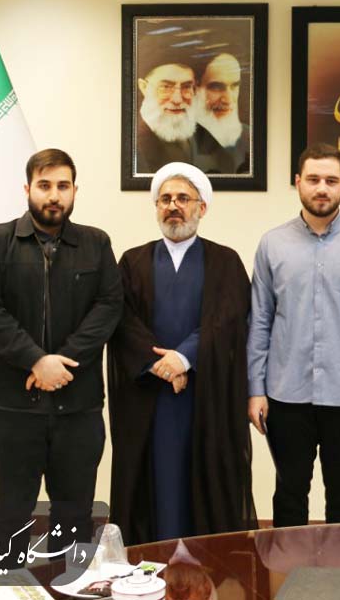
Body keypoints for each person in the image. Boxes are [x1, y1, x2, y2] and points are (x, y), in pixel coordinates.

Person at [0, 148, 122, 569]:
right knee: (9, 513)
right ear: (27, 189)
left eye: (63, 186)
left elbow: (109, 307)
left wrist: (61, 361)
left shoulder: (96, 243)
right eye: (45, 185)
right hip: (11, 409)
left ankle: (69, 591)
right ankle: (6, 591)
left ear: (75, 191)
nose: (54, 195)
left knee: (75, 515)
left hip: (78, 408)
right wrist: (36, 361)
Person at [107, 162, 257, 544]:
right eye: (165, 199)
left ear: (201, 208)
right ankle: (150, 566)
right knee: (153, 487)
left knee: (207, 484)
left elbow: (229, 318)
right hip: (151, 397)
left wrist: (184, 358)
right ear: (156, 207)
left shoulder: (225, 261)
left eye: (183, 199)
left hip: (206, 397)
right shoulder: (132, 262)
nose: (173, 206)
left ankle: (207, 568)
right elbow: (122, 321)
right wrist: (162, 365)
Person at [247, 143, 340, 527]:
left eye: (331, 180)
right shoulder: (272, 244)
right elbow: (260, 320)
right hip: (285, 394)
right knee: (289, 493)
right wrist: (255, 389)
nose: (322, 188)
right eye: (313, 179)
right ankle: (288, 566)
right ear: (298, 182)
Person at [135, 60, 202, 174]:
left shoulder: (200, 133)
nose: (177, 99)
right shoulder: (133, 143)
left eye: (186, 87)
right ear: (144, 87)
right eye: (166, 87)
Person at [192, 53, 249, 175]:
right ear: (195, 88)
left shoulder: (248, 137)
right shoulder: (182, 141)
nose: (228, 99)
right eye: (217, 87)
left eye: (234, 86)